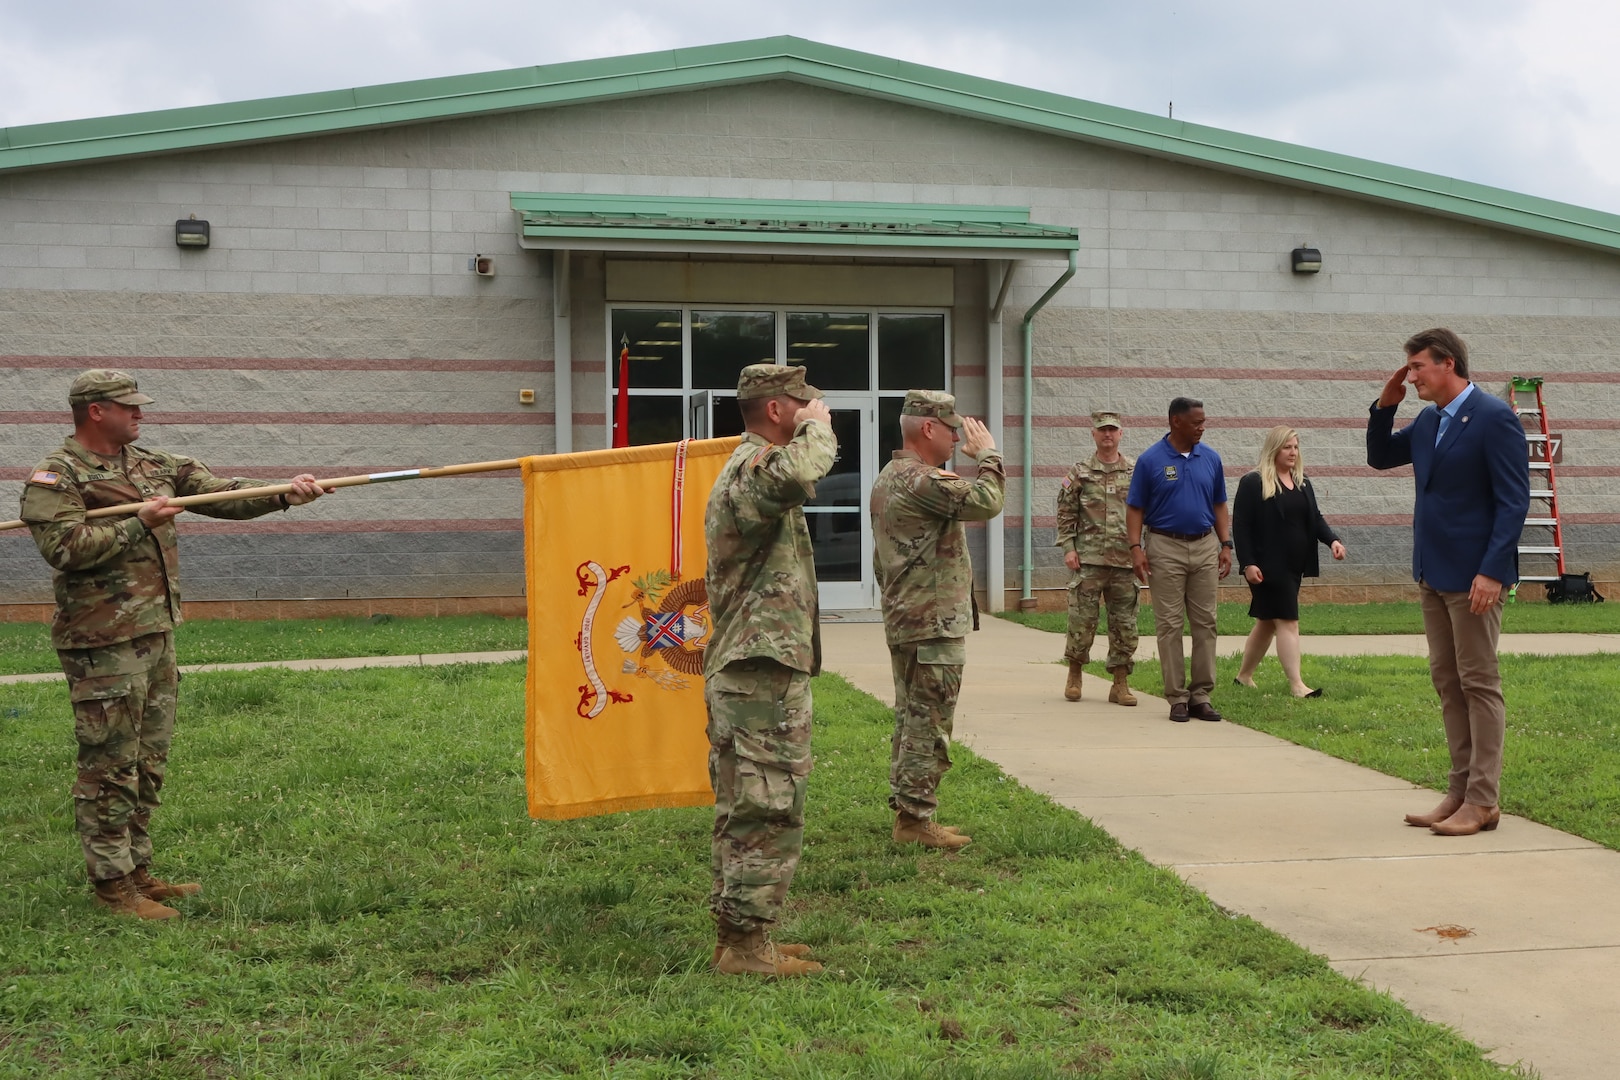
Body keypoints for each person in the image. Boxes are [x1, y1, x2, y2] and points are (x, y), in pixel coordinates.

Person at [18, 370, 330, 920]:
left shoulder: (157, 466)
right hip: (102, 641)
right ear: (95, 410)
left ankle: (138, 871)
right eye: (128, 406)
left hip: (156, 634)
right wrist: (138, 523)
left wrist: (285, 494)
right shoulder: (56, 476)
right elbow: (64, 548)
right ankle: (113, 887)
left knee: (146, 761)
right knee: (109, 764)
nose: (140, 414)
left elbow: (226, 498)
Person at [1367, 328, 1530, 836]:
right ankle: (1459, 792)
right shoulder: (1427, 420)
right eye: (1409, 368)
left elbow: (1513, 501)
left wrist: (1492, 570)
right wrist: (1384, 407)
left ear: (1448, 364)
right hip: (1432, 572)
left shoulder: (1494, 417)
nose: (1410, 376)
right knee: (1448, 682)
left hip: (1474, 576)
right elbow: (1379, 457)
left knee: (1479, 683)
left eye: (1417, 367)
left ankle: (1483, 801)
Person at [702, 362, 835, 977]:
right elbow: (804, 469)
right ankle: (749, 950)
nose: (815, 410)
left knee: (744, 803)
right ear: (778, 410)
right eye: (803, 405)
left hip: (756, 664)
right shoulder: (756, 469)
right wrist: (820, 432)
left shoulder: (750, 469)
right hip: (759, 668)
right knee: (768, 803)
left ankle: (739, 935)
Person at [870, 390, 1005, 850]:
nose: (956, 439)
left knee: (912, 717)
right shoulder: (920, 480)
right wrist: (987, 455)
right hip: (931, 621)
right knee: (930, 721)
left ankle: (910, 812)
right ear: (927, 428)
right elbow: (988, 501)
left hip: (910, 615)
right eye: (952, 430)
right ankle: (915, 821)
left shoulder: (891, 476)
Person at [1125, 397, 1233, 723]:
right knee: (1169, 625)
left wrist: (1226, 544)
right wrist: (1135, 548)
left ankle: (1201, 695)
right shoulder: (1150, 460)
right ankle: (1177, 698)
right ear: (1176, 422)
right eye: (1196, 422)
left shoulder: (1211, 459)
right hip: (1163, 546)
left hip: (1203, 546)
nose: (1202, 427)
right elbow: (1135, 508)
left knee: (1206, 624)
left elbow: (1219, 505)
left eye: (1203, 421)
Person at [1232, 427, 1347, 698]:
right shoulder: (1253, 482)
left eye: (1296, 447)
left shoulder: (1302, 481)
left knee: (1267, 623)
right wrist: (1247, 563)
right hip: (1267, 567)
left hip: (1295, 565)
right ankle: (1297, 685)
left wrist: (1333, 541)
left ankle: (1243, 676)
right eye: (1287, 447)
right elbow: (1241, 526)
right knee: (1287, 621)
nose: (1293, 452)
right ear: (1274, 449)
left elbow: (1315, 518)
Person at [1055, 410, 1138, 706]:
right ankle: (1075, 675)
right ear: (1093, 434)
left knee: (1124, 625)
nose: (1108, 435)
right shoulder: (1080, 472)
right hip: (1088, 560)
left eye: (1113, 430)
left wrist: (1144, 550)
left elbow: (1147, 514)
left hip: (1125, 562)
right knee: (1082, 621)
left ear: (1120, 433)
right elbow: (1065, 512)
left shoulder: (1135, 471)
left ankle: (1120, 683)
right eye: (1102, 430)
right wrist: (1068, 548)